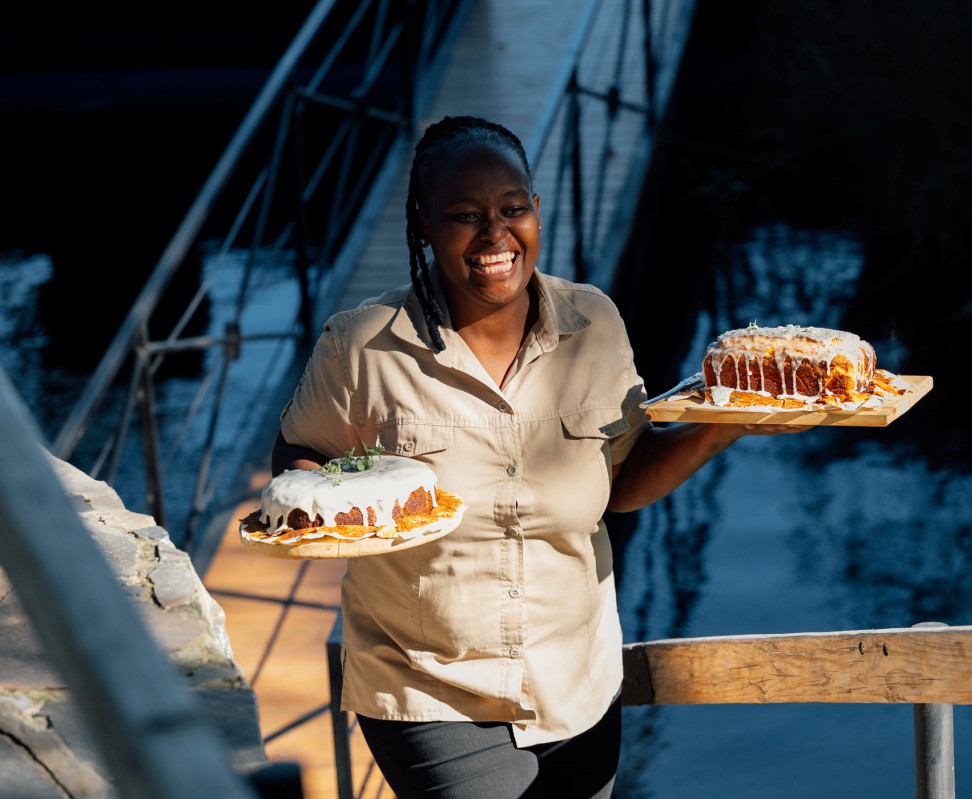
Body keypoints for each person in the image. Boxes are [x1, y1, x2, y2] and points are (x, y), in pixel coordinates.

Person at [272, 115, 805, 798]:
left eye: (512, 208)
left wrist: (721, 426)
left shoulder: (596, 324)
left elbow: (622, 482)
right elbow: (298, 452)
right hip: (432, 685)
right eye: (465, 215)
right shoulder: (362, 345)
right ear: (423, 226)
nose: (496, 234)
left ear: (536, 211)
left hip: (576, 683)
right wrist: (329, 508)